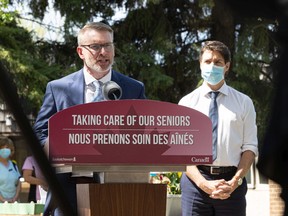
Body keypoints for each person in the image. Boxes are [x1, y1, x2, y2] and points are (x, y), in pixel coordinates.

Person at [33, 22, 146, 215]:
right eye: (95, 46)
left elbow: (143, 134)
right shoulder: (58, 88)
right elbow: (41, 131)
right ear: (80, 52)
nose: (103, 52)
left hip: (118, 189)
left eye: (107, 45)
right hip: (67, 187)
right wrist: (60, 149)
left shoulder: (133, 89)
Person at [178, 40, 258, 216]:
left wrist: (234, 181)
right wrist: (203, 183)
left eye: (218, 62)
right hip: (195, 185)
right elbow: (183, 152)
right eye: (207, 61)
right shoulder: (186, 103)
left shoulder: (243, 102)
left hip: (232, 184)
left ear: (227, 66)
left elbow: (250, 147)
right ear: (200, 64)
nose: (212, 66)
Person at [0, 137, 21, 203]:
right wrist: (3, 199)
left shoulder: (14, 164)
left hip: (14, 203)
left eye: (8, 148)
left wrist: (15, 198)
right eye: (3, 148)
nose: (5, 150)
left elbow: (18, 183)